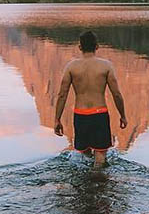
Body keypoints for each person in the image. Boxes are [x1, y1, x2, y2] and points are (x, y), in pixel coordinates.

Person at [53, 30, 127, 167]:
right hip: (100, 115)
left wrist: (57, 119)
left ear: (80, 47)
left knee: (85, 158)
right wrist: (123, 116)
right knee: (100, 157)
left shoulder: (71, 67)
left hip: (80, 116)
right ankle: (98, 181)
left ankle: (87, 185)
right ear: (97, 46)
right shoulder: (106, 66)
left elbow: (62, 94)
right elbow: (116, 94)